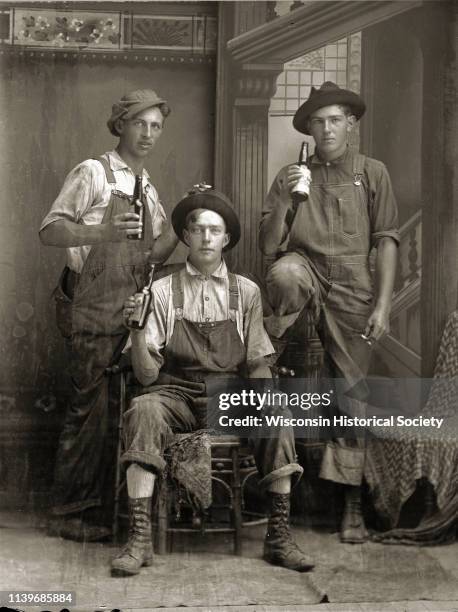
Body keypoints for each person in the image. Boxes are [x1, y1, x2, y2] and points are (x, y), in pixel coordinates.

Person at [111, 187, 313, 576]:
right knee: (142, 409)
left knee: (277, 412)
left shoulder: (247, 291)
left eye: (214, 230)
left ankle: (278, 537)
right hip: (174, 394)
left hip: (228, 396)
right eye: (198, 229)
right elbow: (146, 375)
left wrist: (265, 398)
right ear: (185, 237)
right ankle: (139, 540)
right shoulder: (161, 290)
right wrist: (136, 332)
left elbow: (255, 361)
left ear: (227, 239)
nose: (206, 237)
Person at [259, 81, 399, 543]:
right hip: (305, 268)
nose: (327, 129)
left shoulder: (373, 173)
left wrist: (381, 303)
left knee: (352, 393)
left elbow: (386, 240)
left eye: (335, 119)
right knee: (284, 276)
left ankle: (352, 504)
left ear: (351, 124)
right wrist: (286, 199)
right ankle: (268, 346)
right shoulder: (291, 174)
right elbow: (268, 247)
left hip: (355, 283)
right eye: (318, 122)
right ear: (310, 129)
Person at [39, 89, 178, 541]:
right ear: (120, 124)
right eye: (140, 123)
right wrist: (102, 230)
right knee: (88, 412)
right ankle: (69, 514)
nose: (148, 134)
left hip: (130, 313)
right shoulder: (93, 173)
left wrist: (182, 221)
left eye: (156, 126)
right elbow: (50, 229)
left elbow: (152, 254)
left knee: (121, 412)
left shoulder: (148, 187)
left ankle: (110, 515)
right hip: (92, 308)